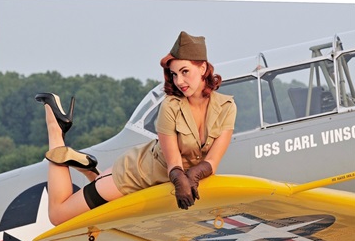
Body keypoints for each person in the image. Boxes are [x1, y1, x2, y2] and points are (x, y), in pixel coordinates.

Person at [35, 31, 237, 226]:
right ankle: (55, 128)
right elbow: (173, 163)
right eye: (174, 74)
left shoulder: (226, 107)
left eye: (185, 72)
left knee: (100, 207)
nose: (179, 81)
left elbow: (212, 161)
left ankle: (89, 170)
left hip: (152, 174)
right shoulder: (170, 105)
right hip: (137, 175)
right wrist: (180, 179)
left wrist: (193, 177)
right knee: (59, 215)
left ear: (203, 68)